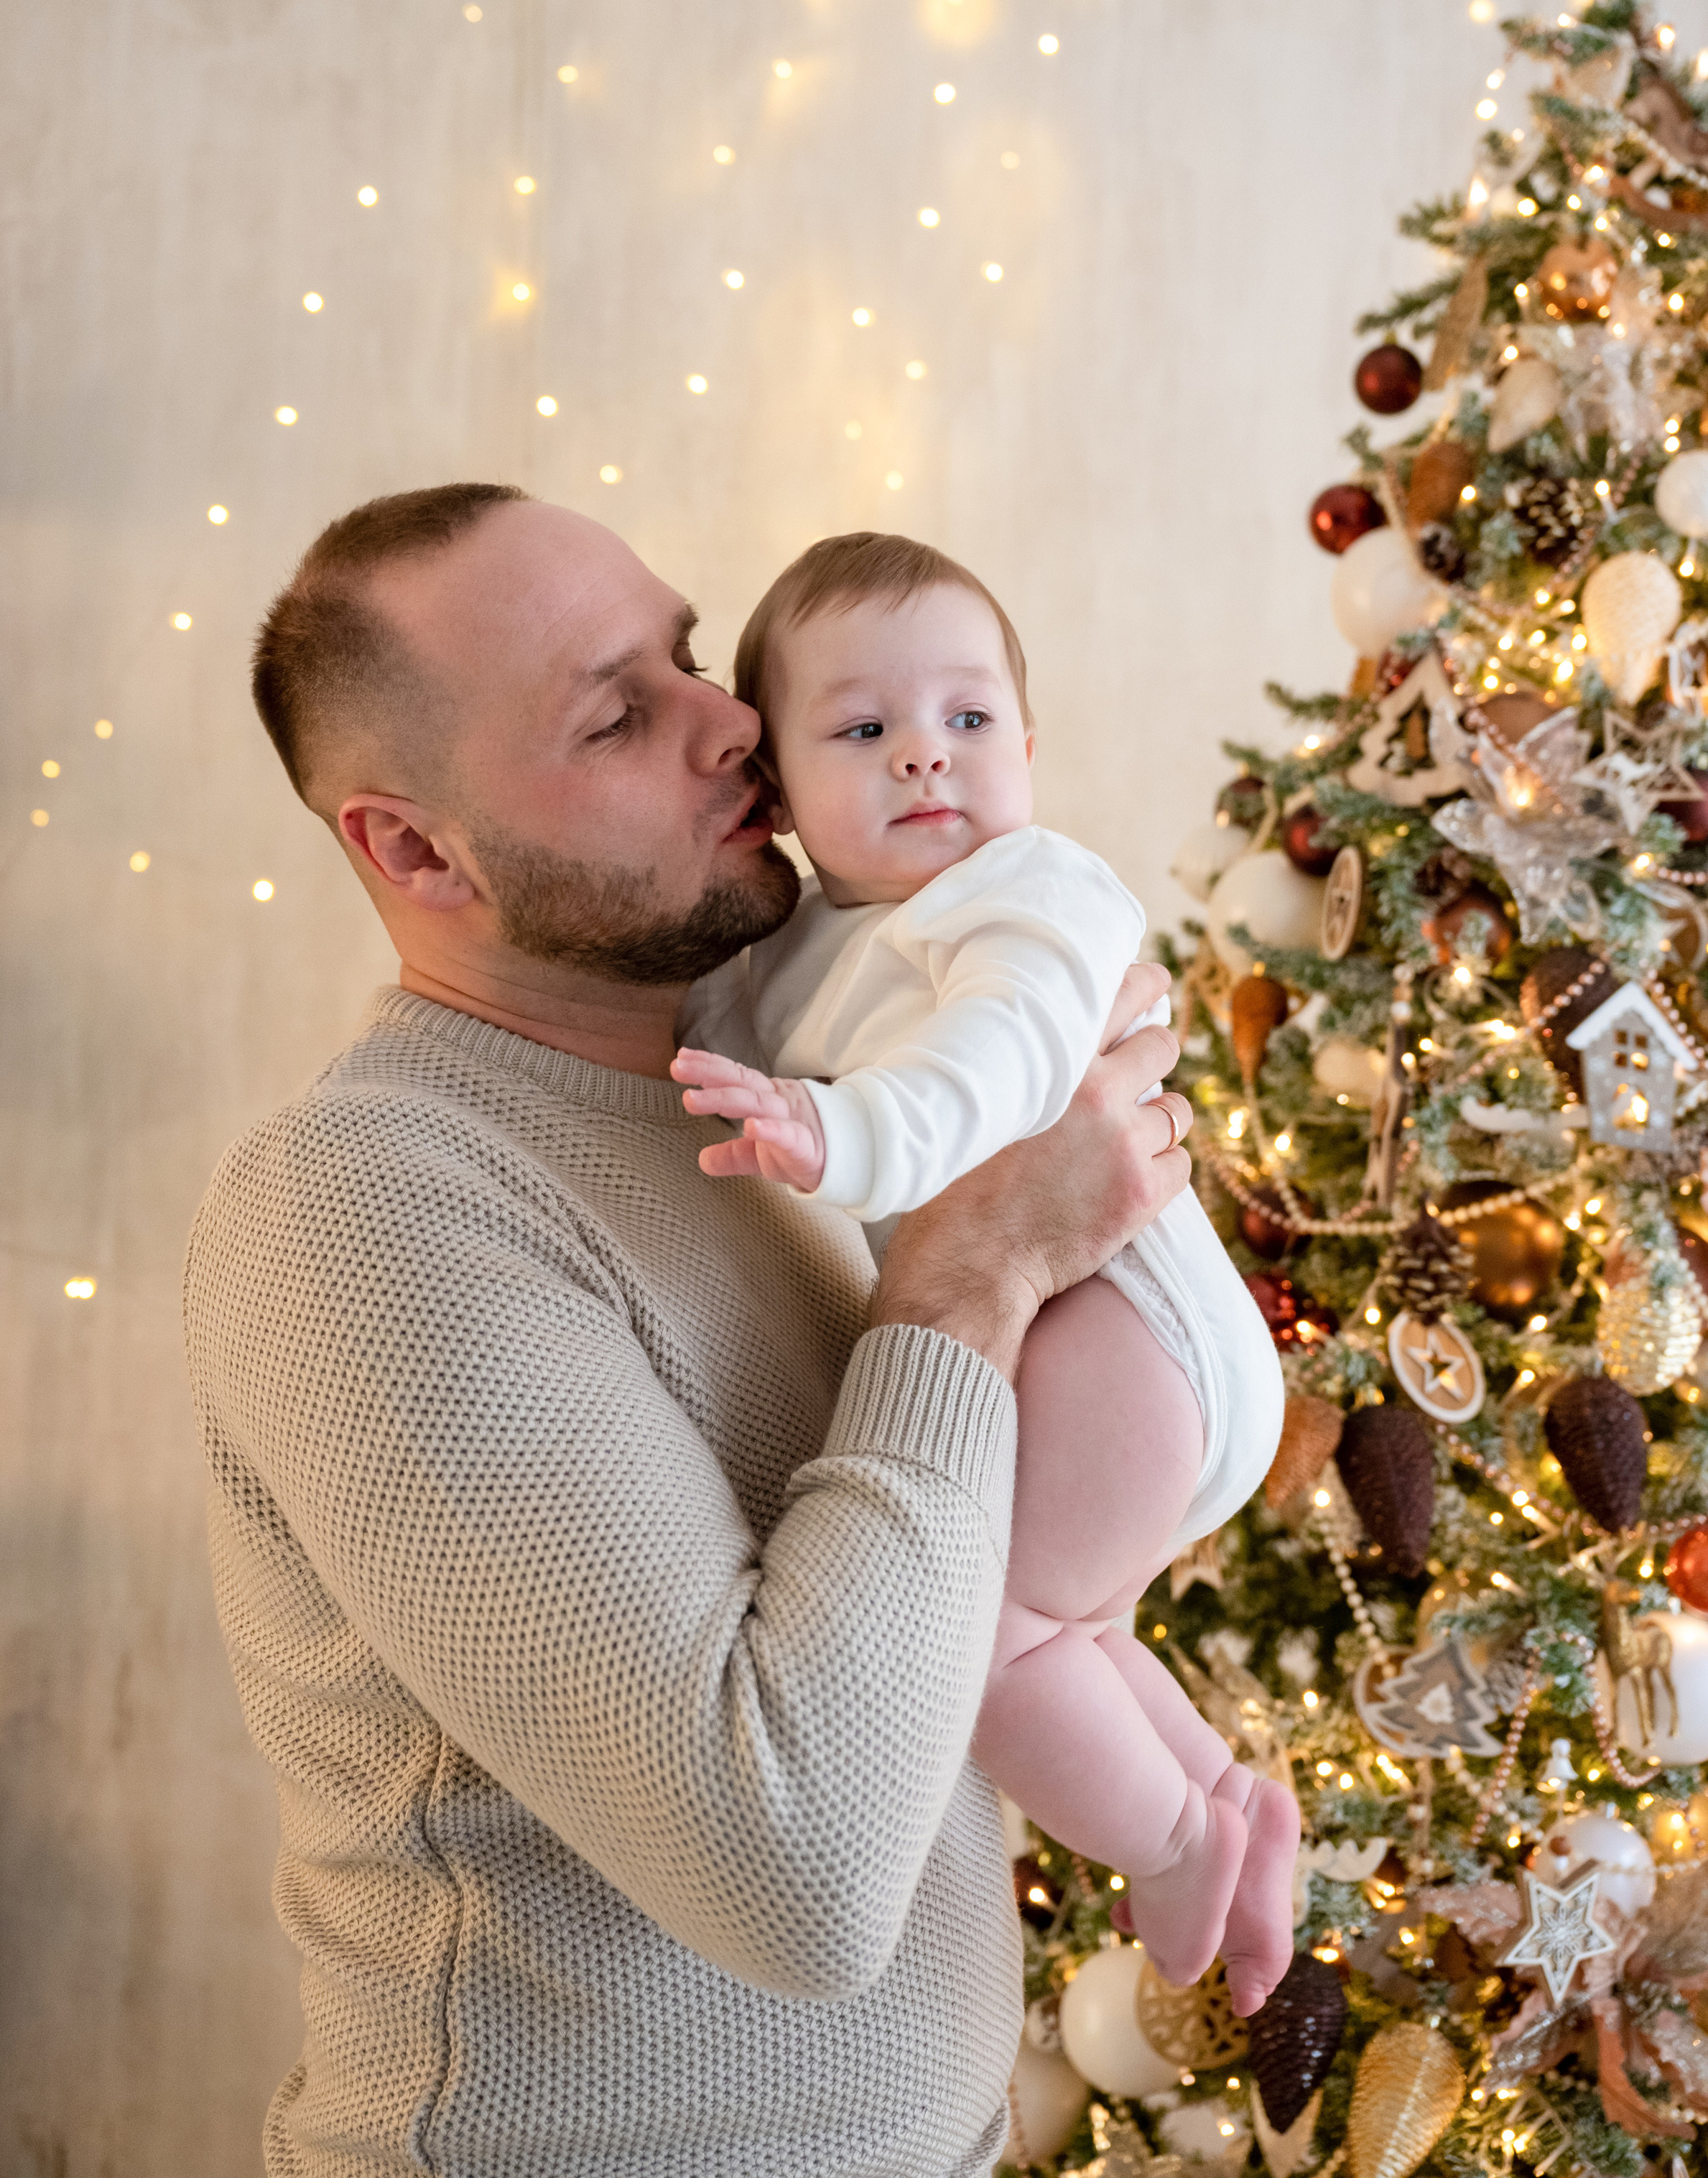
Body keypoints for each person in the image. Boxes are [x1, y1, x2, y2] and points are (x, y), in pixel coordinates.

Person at [185, 481, 1197, 2178]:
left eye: (681, 650)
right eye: (617, 711)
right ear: (416, 849)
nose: (735, 718)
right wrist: (973, 1267)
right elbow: (787, 1868)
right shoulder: (364, 1208)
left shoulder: (771, 1092)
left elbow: (905, 1599)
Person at [672, 533, 1296, 1998]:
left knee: (983, 1639)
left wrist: (837, 1135)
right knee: (1068, 1623)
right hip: (1093, 1352)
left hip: (1127, 1337)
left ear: (1025, 743)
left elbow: (999, 1064)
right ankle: (1224, 1798)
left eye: (963, 720)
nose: (918, 760)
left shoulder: (1026, 894)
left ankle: (1162, 1840)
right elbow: (717, 1027)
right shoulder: (807, 948)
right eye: (860, 728)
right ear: (775, 790)